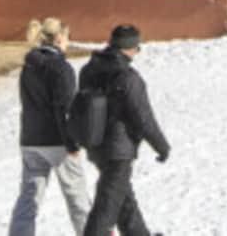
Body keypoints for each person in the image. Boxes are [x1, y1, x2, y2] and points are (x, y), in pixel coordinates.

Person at [78, 24, 169, 236]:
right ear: (130, 48)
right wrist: (161, 146)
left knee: (123, 199)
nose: (137, 52)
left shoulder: (89, 69)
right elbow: (143, 117)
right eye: (137, 48)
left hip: (95, 144)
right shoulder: (128, 77)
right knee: (107, 207)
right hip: (118, 150)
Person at [10, 18, 90, 235]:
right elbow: (64, 108)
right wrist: (72, 142)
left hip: (31, 139)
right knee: (77, 196)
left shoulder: (29, 66)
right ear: (59, 38)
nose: (68, 42)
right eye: (67, 37)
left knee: (29, 197)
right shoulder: (61, 68)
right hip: (58, 141)